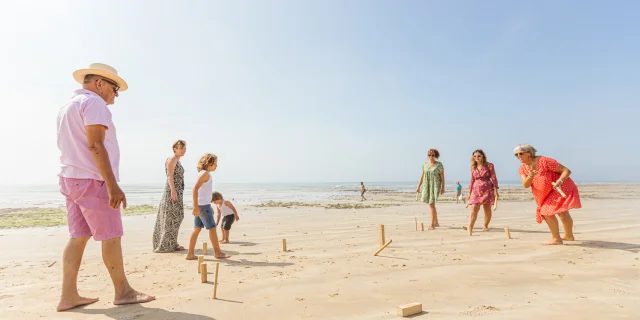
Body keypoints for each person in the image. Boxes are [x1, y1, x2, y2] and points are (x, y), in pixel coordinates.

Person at [56, 63, 154, 311]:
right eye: (114, 87)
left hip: (70, 178)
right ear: (99, 83)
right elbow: (96, 145)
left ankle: (68, 296)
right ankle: (123, 292)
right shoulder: (94, 103)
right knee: (111, 236)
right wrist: (113, 186)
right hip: (92, 180)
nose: (116, 94)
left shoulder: (66, 106)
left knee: (78, 237)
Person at [515, 144, 581, 245]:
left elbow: (566, 171)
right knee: (561, 212)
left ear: (529, 152)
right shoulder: (522, 169)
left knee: (547, 212)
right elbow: (526, 184)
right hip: (544, 194)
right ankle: (568, 236)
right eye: (516, 155)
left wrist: (559, 181)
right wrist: (531, 176)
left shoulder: (544, 161)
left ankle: (556, 239)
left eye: (520, 153)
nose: (518, 156)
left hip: (560, 187)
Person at [185, 154, 230, 260]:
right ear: (209, 163)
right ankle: (218, 252)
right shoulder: (205, 174)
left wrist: (200, 206)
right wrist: (196, 207)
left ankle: (190, 254)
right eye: (215, 163)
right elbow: (195, 189)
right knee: (212, 228)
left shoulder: (203, 173)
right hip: (203, 206)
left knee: (196, 229)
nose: (216, 166)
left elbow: (203, 192)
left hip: (202, 205)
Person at [152, 140, 187, 252]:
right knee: (170, 217)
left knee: (177, 216)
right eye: (181, 148)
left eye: (184, 148)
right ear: (174, 149)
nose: (183, 150)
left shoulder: (177, 160)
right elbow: (169, 176)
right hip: (172, 191)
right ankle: (166, 244)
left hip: (177, 191)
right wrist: (173, 190)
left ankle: (173, 242)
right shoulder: (171, 159)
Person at [466, 149, 499, 236]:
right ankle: (470, 226)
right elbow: (472, 180)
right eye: (475, 156)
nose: (476, 157)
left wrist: (496, 189)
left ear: (483, 156)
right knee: (474, 208)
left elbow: (494, 178)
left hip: (487, 188)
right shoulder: (473, 167)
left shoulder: (489, 165)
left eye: (479, 156)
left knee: (487, 208)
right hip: (475, 189)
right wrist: (469, 192)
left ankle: (485, 225)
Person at [416, 149, 445, 230]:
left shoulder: (439, 165)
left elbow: (442, 177)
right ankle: (436, 222)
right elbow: (422, 176)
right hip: (426, 185)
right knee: (432, 204)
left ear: (435, 156)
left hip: (435, 186)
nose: (431, 157)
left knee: (431, 204)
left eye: (432, 155)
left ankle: (432, 224)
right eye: (429, 155)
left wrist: (443, 187)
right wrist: (418, 186)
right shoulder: (425, 164)